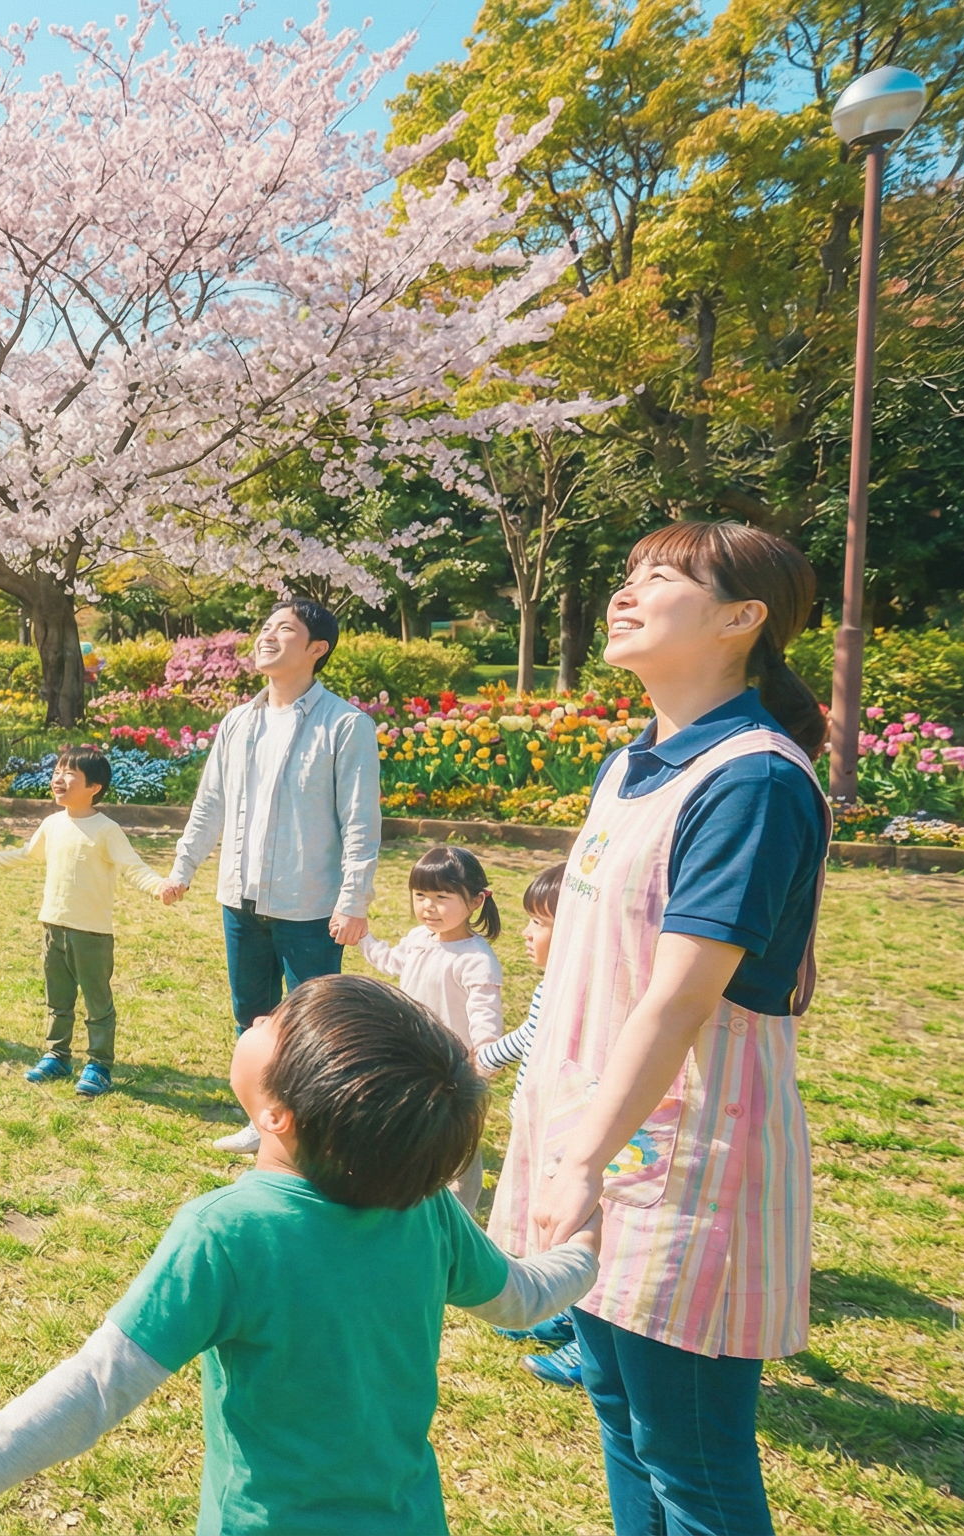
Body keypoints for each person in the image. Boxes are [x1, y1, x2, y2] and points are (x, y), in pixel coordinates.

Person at [0, 975, 602, 1534]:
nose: (260, 1019)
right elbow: (520, 1296)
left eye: (274, 1026)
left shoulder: (227, 1234)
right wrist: (587, 1247)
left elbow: (101, 1383)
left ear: (277, 1115)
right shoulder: (427, 1210)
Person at [488, 522, 831, 1536]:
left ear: (741, 618)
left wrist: (582, 1158)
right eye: (628, 575)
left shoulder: (752, 779)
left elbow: (682, 997)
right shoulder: (631, 763)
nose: (626, 594)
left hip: (680, 1165)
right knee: (621, 1417)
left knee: (691, 1458)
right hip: (596, 1143)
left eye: (665, 578)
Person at [159, 598, 381, 1153]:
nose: (267, 636)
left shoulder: (346, 725)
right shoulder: (239, 721)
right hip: (241, 896)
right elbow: (209, 804)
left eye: (285, 629)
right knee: (251, 1016)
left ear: (316, 649)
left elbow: (360, 819)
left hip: (308, 904)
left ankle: (313, 1131)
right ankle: (264, 1122)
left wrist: (354, 899)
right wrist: (184, 867)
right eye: (264, 627)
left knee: (312, 1023)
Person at [0, 747, 165, 1094]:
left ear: (95, 787)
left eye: (69, 773)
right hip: (53, 927)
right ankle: (57, 1056)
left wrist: (160, 887)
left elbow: (133, 867)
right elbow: (27, 855)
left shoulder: (106, 830)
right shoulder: (52, 823)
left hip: (91, 934)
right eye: (57, 770)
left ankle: (99, 1065)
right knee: (58, 1000)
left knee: (96, 1003)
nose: (58, 778)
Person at [475, 863, 584, 1388]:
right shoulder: (552, 987)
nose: (526, 932)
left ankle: (589, 1342)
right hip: (538, 1122)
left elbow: (523, 1041)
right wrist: (486, 1056)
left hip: (566, 1130)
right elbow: (526, 1038)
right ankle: (568, 1310)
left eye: (540, 923)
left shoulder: (581, 994)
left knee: (573, 1229)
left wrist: (480, 1058)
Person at [357, 844, 507, 1210]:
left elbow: (486, 1020)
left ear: (476, 901)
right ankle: (410, 1198)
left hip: (456, 1069)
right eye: (420, 895)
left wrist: (481, 1067)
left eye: (442, 896)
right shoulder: (419, 938)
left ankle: (462, 1214)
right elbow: (393, 962)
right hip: (412, 1055)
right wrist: (362, 937)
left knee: (457, 1144)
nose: (428, 906)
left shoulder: (476, 960)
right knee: (410, 1126)